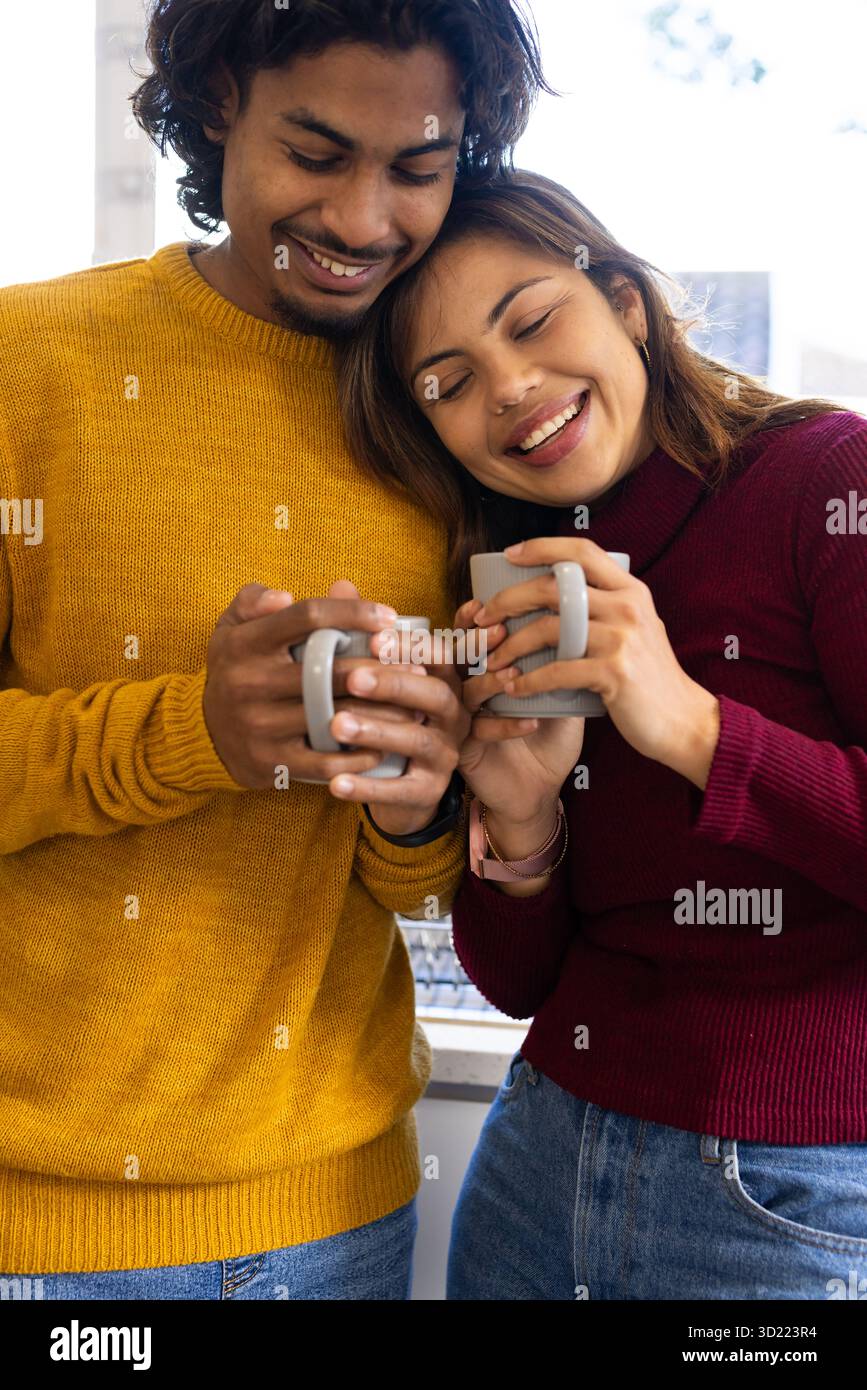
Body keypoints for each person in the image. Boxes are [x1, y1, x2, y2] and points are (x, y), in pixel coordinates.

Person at [0, 1, 551, 1299]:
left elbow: (412, 894)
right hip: (40, 1238)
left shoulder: (453, 416)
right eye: (315, 153)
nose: (364, 221)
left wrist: (418, 809)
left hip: (334, 1224)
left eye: (417, 169)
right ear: (214, 107)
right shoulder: (29, 364)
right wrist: (189, 734)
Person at [337, 169, 867, 1299]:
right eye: (450, 382)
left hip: (791, 1193)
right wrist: (522, 822)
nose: (513, 389)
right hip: (539, 1158)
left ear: (625, 301)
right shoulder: (516, 576)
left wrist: (691, 724)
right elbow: (525, 985)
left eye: (532, 320)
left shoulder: (828, 478)